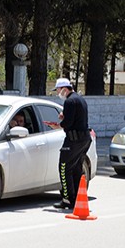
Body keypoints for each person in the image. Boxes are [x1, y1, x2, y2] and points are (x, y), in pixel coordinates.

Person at [49, 78, 92, 210]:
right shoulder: (80, 99)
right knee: (76, 169)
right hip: (84, 139)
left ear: (64, 89)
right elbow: (75, 119)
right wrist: (65, 118)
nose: (58, 93)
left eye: (58, 90)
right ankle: (77, 197)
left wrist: (58, 125)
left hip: (74, 140)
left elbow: (68, 124)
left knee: (64, 167)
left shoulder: (70, 101)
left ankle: (67, 199)